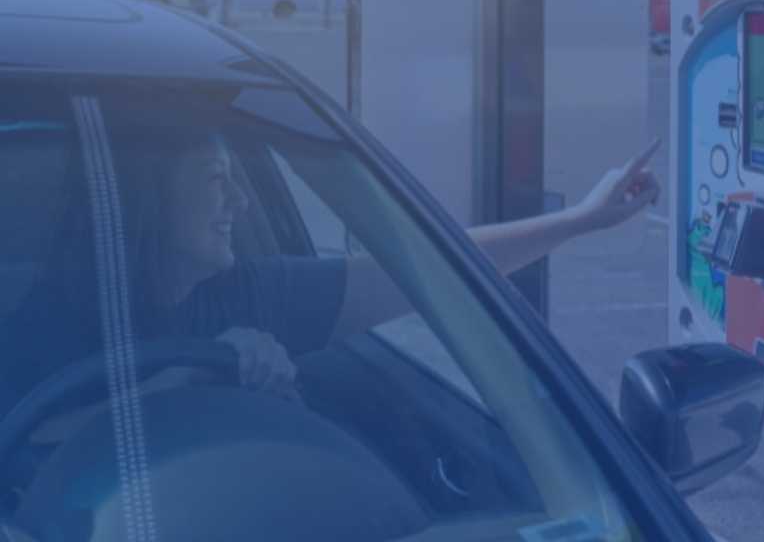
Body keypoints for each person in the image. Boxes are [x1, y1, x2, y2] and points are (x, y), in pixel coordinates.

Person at [0, 124, 661, 436]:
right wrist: (173, 392)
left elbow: (430, 272)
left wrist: (580, 221)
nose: (243, 202)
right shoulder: (46, 320)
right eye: (215, 181)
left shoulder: (248, 293)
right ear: (150, 199)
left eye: (240, 179)